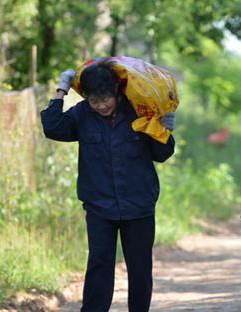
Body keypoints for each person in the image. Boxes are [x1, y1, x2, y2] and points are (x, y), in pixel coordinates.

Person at [40, 62, 176, 311]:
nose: (100, 106)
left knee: (140, 269)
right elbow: (53, 127)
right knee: (99, 266)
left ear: (116, 90)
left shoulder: (140, 110)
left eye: (105, 99)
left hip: (139, 205)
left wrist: (164, 129)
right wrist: (62, 90)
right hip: (99, 206)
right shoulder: (82, 114)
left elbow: (162, 154)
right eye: (94, 100)